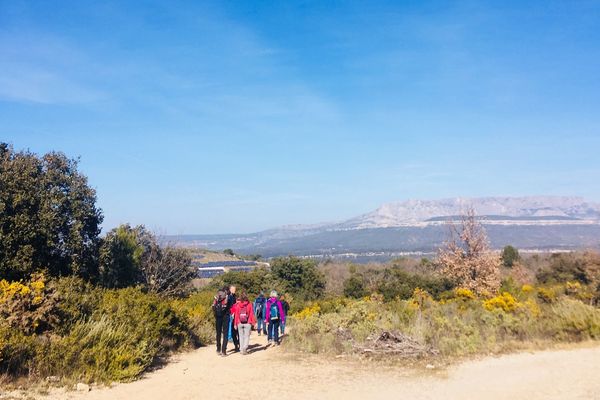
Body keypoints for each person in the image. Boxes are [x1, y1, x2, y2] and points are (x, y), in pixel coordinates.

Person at [212, 286, 231, 356]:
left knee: (218, 333)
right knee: (225, 334)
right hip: (226, 316)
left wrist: (215, 314)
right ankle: (223, 351)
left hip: (218, 316)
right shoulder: (227, 297)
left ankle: (218, 349)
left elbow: (213, 307)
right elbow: (231, 306)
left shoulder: (216, 297)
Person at [228, 285, 240, 352]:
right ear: (230, 289)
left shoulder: (233, 295)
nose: (234, 290)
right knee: (231, 325)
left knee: (232, 325)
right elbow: (230, 305)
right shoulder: (230, 296)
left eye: (235, 289)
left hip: (234, 312)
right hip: (231, 312)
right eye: (233, 289)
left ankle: (232, 338)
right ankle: (230, 337)